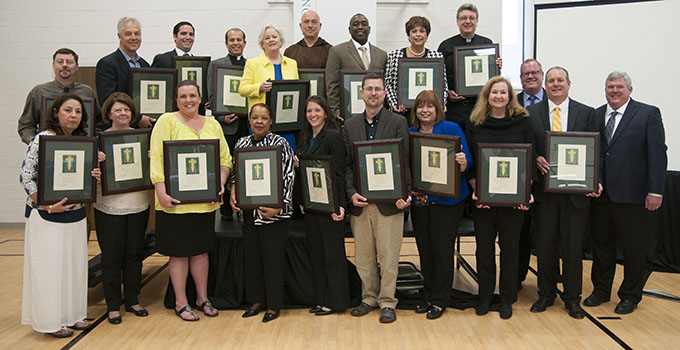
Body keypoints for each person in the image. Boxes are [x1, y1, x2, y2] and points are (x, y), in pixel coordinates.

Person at [584, 71, 667, 315]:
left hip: (634, 196)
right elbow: (593, 153)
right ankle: (600, 290)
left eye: (619, 87)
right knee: (601, 247)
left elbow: (657, 154)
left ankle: (630, 295)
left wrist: (656, 191)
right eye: (610, 87)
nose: (614, 91)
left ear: (630, 89)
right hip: (601, 196)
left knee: (633, 249)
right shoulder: (596, 115)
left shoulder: (648, 114)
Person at [149, 80, 232, 321]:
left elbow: (225, 159)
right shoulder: (166, 121)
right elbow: (156, 160)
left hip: (204, 202)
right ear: (176, 100)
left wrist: (221, 182)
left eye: (192, 95)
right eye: (183, 96)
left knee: (200, 252)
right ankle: (181, 302)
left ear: (200, 98)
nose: (188, 100)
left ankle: (202, 298)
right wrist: (161, 192)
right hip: (174, 202)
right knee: (179, 254)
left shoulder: (213, 124)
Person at [20, 94, 100, 338]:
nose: (73, 115)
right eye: (68, 110)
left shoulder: (83, 142)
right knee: (49, 270)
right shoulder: (43, 139)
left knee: (73, 269)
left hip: (75, 216)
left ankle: (74, 316)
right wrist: (45, 206)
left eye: (77, 111)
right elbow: (26, 176)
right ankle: (49, 322)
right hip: (47, 217)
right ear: (56, 113)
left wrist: (94, 173)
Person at [527, 67, 599, 319]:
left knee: (572, 248)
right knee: (545, 246)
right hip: (545, 193)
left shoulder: (587, 113)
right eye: (551, 81)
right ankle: (545, 294)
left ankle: (572, 298)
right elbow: (528, 146)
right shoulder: (532, 113)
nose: (556, 84)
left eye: (560, 80)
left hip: (576, 195)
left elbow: (596, 150)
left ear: (569, 83)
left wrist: (595, 180)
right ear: (545, 85)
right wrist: (535, 157)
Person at [342, 73, 411, 323]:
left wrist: (405, 194)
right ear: (361, 93)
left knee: (389, 256)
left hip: (390, 203)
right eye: (368, 89)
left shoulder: (398, 122)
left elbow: (404, 161)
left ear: (384, 93)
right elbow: (347, 165)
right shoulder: (350, 126)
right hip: (361, 202)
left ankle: (388, 302)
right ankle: (368, 298)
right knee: (363, 256)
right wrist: (351, 193)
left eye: (377, 89)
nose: (373, 93)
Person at [465, 76, 534, 320]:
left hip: (513, 202)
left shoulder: (523, 123)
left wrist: (526, 191)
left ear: (509, 96)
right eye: (494, 92)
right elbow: (470, 161)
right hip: (483, 201)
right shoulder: (475, 124)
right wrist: (475, 185)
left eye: (503, 93)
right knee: (483, 251)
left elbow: (529, 161)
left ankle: (507, 299)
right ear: (487, 95)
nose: (498, 96)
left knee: (510, 251)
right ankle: (484, 297)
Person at [229, 103, 295, 323]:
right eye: (255, 118)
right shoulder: (242, 143)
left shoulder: (281, 144)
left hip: (274, 212)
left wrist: (280, 205)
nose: (259, 122)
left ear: (271, 121)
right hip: (249, 213)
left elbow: (288, 177)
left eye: (264, 118)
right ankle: (257, 300)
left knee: (272, 259)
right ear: (249, 120)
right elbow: (236, 174)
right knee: (253, 258)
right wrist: (233, 191)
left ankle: (274, 305)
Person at [409, 90, 471, 320]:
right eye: (420, 106)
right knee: (425, 251)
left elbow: (468, 160)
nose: (425, 110)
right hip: (421, 202)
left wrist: (463, 162)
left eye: (430, 106)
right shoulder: (411, 133)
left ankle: (440, 300)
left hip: (448, 202)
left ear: (438, 109)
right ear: (415, 111)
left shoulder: (452, 129)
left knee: (442, 252)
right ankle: (428, 296)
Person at [94, 92, 151, 324]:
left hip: (138, 204)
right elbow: (90, 178)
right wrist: (95, 166)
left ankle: (133, 299)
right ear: (109, 114)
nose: (123, 113)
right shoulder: (98, 142)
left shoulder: (142, 139)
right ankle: (112, 304)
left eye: (126, 110)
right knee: (111, 257)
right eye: (118, 110)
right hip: (109, 207)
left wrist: (151, 158)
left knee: (134, 255)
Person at [294, 96, 350, 316]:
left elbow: (338, 173)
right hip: (311, 206)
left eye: (317, 110)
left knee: (332, 256)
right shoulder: (306, 137)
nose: (313, 115)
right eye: (309, 111)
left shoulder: (333, 138)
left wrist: (340, 206)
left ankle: (336, 301)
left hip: (330, 208)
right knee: (317, 255)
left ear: (326, 113)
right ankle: (321, 299)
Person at [207, 27, 249, 221]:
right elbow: (212, 96)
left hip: (247, 125)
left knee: (244, 167)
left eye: (239, 39)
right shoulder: (216, 65)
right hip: (227, 126)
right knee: (226, 165)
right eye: (231, 39)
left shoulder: (251, 65)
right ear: (226, 43)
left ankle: (244, 207)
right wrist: (221, 117)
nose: (235, 43)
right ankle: (224, 209)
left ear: (244, 43)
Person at [437, 3, 502, 130]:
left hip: (480, 107)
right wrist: (447, 94)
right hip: (454, 109)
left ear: (477, 21)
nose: (468, 21)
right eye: (463, 18)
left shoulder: (487, 44)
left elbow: (493, 78)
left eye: (471, 18)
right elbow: (438, 78)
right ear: (457, 21)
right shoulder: (445, 46)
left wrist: (497, 67)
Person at [18, 48, 102, 144]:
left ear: (77, 67)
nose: (65, 65)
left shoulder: (87, 92)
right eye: (60, 62)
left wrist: (93, 142)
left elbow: (99, 122)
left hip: (81, 149)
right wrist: (36, 143)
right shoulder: (39, 91)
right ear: (53, 66)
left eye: (69, 62)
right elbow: (26, 125)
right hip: (48, 151)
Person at [516, 58, 545, 289]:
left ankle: (549, 281)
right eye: (526, 74)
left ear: (541, 75)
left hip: (549, 180)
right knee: (520, 231)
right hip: (518, 178)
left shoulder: (556, 104)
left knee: (547, 233)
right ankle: (517, 277)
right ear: (520, 78)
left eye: (535, 72)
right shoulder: (511, 103)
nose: (531, 76)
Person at [326, 13, 388, 120]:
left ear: (369, 29)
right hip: (348, 115)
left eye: (364, 24)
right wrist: (336, 112)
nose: (360, 27)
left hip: (377, 115)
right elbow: (332, 85)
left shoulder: (382, 54)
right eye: (356, 24)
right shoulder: (337, 51)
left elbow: (385, 86)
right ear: (349, 29)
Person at [96, 17, 154, 128]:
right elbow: (107, 101)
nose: (133, 38)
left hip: (145, 126)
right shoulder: (107, 64)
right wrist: (138, 118)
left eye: (137, 34)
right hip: (118, 129)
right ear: (119, 36)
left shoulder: (145, 65)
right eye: (128, 34)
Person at [384, 16, 448, 115]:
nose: (418, 34)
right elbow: (388, 84)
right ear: (408, 35)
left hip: (427, 113)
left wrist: (441, 103)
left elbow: (443, 86)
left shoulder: (436, 57)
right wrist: (394, 104)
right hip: (401, 113)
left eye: (422, 31)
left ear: (427, 35)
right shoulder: (394, 56)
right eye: (414, 31)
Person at [239, 24, 299, 110]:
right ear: (262, 43)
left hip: (286, 111)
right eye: (267, 38)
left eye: (274, 37)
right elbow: (242, 90)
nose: (271, 40)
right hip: (261, 116)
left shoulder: (292, 63)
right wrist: (259, 87)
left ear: (280, 41)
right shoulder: (252, 63)